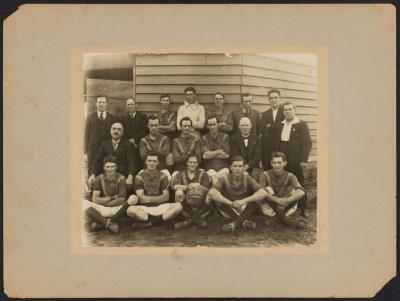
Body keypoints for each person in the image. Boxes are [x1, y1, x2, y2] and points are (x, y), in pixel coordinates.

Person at [208, 156, 268, 233]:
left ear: (243, 168)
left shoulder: (247, 178)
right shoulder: (224, 178)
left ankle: (234, 224)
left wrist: (243, 201)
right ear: (231, 167)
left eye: (240, 166)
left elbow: (263, 192)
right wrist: (231, 203)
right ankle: (243, 222)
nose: (238, 168)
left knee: (258, 198)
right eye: (235, 166)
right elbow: (211, 192)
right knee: (217, 198)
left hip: (244, 209)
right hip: (229, 209)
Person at [126, 152, 183, 228]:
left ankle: (150, 223)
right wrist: (159, 198)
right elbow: (141, 199)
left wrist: (148, 198)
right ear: (146, 162)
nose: (151, 163)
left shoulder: (163, 176)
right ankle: (160, 220)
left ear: (158, 163)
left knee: (179, 206)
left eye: (154, 161)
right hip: (146, 209)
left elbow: (166, 197)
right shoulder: (139, 177)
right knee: (130, 210)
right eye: (149, 161)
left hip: (162, 207)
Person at [276, 101, 312, 217]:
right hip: (283, 158)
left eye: (289, 109)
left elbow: (307, 143)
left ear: (295, 110)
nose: (287, 111)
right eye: (285, 110)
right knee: (284, 181)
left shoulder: (301, 124)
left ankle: (304, 207)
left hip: (295, 159)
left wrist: (304, 160)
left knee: (299, 181)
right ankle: (286, 206)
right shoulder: (280, 125)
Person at [258, 152, 307, 229]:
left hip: (285, 207)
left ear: (284, 163)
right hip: (269, 208)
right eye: (274, 163)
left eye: (279, 162)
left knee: (296, 191)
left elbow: (301, 192)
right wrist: (277, 200)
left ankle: (276, 218)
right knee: (267, 190)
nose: (276, 165)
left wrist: (287, 200)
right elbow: (260, 193)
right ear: (271, 163)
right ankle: (285, 220)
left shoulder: (290, 175)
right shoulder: (264, 174)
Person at [83, 155, 129, 233]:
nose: (110, 169)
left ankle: (101, 222)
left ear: (116, 167)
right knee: (83, 203)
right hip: (103, 208)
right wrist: (112, 198)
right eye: (107, 167)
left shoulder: (121, 178)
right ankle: (109, 224)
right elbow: (95, 199)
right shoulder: (99, 178)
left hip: (117, 208)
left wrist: (105, 202)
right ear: (104, 168)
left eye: (112, 166)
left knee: (131, 203)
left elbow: (121, 199)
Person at [88, 122, 136, 192]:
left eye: (119, 129)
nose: (116, 131)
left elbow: (131, 162)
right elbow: (97, 160)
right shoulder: (104, 144)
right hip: (107, 174)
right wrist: (93, 174)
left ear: (122, 133)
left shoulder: (128, 145)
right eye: (114, 129)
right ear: (110, 131)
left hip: (122, 175)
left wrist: (130, 176)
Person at [172, 154, 212, 229]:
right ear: (187, 163)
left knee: (209, 196)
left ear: (198, 163)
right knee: (178, 192)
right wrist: (188, 186)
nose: (192, 164)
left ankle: (189, 221)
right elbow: (175, 186)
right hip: (186, 205)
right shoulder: (181, 174)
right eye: (190, 162)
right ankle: (196, 219)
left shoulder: (203, 174)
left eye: (194, 162)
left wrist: (199, 187)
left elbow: (207, 190)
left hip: (200, 204)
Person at [84, 96, 118, 175]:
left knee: (108, 171)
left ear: (106, 104)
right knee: (92, 172)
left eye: (103, 102)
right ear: (96, 104)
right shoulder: (90, 118)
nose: (101, 104)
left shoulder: (113, 118)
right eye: (99, 102)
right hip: (93, 150)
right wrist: (85, 153)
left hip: (108, 150)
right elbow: (86, 135)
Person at [139, 115, 172, 180]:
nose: (154, 128)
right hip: (146, 167)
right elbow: (143, 156)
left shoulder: (165, 138)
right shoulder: (143, 140)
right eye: (151, 125)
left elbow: (165, 153)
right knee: (139, 179)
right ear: (148, 126)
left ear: (159, 126)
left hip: (162, 167)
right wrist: (159, 153)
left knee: (168, 179)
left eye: (156, 125)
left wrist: (150, 153)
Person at [201, 115, 230, 186]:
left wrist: (211, 154)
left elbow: (226, 155)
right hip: (210, 167)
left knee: (224, 182)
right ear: (207, 126)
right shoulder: (204, 138)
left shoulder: (225, 136)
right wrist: (219, 151)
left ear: (218, 124)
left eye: (214, 124)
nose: (212, 127)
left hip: (223, 167)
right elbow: (205, 156)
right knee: (215, 183)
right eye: (210, 125)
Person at [260, 88, 285, 170]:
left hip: (282, 146)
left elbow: (284, 128)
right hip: (269, 147)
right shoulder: (265, 114)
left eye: (276, 97)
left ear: (279, 98)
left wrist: (270, 126)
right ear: (269, 100)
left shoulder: (285, 111)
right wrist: (278, 126)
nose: (273, 100)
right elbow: (263, 129)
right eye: (271, 98)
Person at [121, 98, 148, 170]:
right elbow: (123, 132)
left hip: (140, 144)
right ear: (127, 107)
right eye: (128, 105)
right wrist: (130, 141)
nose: (130, 106)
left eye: (132, 104)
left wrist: (135, 139)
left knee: (140, 165)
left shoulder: (143, 116)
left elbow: (145, 131)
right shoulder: (123, 118)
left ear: (136, 105)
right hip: (128, 144)